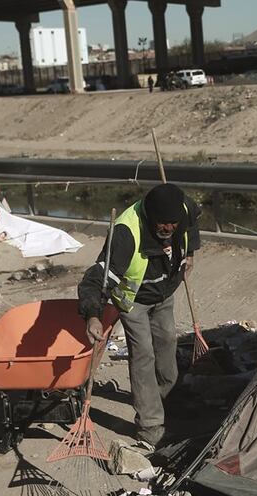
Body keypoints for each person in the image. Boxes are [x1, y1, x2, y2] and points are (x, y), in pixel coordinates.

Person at [78, 183, 201, 449]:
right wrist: (93, 315)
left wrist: (190, 254)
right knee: (143, 352)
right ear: (149, 215)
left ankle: (166, 402)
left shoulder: (183, 209)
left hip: (164, 293)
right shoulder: (126, 233)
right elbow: (96, 281)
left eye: (173, 224)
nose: (168, 229)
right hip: (133, 301)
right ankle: (150, 425)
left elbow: (192, 221)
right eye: (162, 224)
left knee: (167, 342)